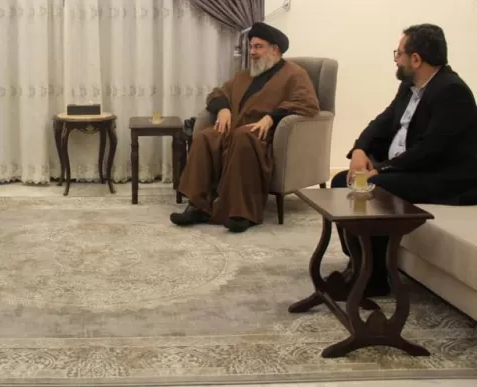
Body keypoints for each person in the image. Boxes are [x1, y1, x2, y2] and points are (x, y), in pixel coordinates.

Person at [332, 23, 477, 296]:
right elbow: (383, 121)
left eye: (398, 53)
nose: (396, 59)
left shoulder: (451, 92)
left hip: (446, 178)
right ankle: (359, 263)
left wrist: (381, 170)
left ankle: (374, 278)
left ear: (416, 59)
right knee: (343, 180)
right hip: (412, 168)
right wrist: (359, 150)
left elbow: (429, 150)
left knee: (373, 188)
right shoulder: (409, 85)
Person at [171, 22, 320, 232]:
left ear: (274, 50)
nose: (252, 52)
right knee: (206, 137)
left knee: (243, 138)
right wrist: (223, 109)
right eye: (251, 47)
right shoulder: (245, 75)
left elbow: (307, 102)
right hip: (234, 129)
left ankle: (242, 213)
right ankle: (198, 206)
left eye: (258, 47)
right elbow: (217, 93)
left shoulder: (295, 74)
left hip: (263, 135)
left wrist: (272, 117)